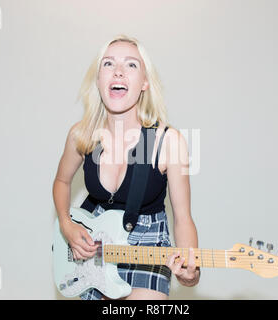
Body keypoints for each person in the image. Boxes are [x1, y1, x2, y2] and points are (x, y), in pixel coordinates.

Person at [52, 34, 199, 300]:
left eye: (131, 65)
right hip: (95, 246)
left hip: (148, 244)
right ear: (98, 80)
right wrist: (66, 223)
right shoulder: (82, 135)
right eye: (108, 64)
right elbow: (61, 182)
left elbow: (183, 217)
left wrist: (190, 268)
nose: (118, 71)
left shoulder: (168, 142)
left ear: (144, 82)